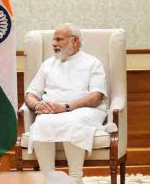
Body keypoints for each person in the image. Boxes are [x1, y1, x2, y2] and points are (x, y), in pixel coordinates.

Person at [24, 23, 107, 184]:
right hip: (53, 111)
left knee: (72, 121)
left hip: (85, 110)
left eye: (59, 39)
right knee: (41, 121)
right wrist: (37, 106)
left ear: (74, 41)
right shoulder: (48, 64)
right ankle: (47, 178)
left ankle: (75, 178)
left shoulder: (92, 63)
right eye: (53, 40)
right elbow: (30, 94)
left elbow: (96, 96)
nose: (53, 44)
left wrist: (66, 107)